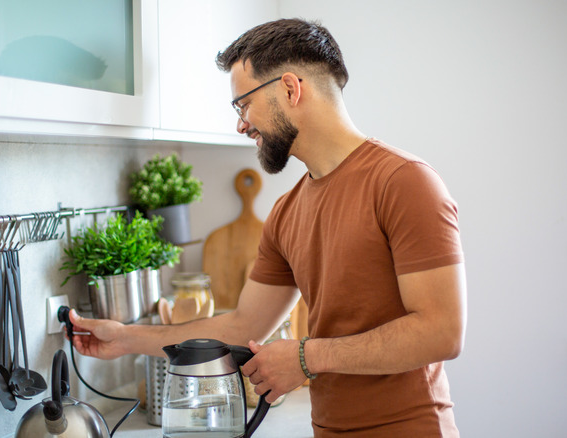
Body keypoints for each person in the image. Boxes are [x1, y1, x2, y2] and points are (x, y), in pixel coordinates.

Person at [67, 18, 467, 437]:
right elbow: (241, 326)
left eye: (243, 104)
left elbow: (441, 331)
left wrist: (306, 357)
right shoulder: (286, 212)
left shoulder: (404, 182)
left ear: (290, 89)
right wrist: (125, 338)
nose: (241, 124)